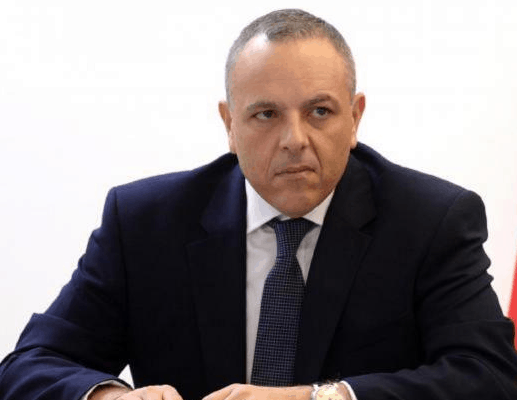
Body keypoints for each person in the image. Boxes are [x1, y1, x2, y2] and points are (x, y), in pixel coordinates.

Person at [1, 8, 516, 400]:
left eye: (320, 111)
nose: (294, 140)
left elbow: (489, 375)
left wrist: (322, 399)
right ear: (229, 124)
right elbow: (29, 366)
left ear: (355, 117)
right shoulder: (145, 223)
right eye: (266, 114)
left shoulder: (430, 220)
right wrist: (109, 397)